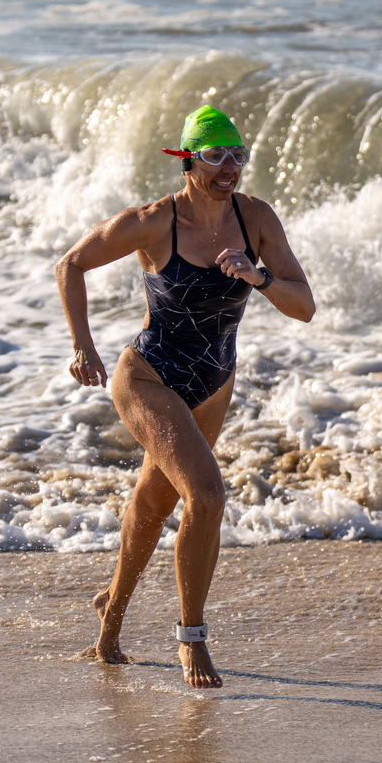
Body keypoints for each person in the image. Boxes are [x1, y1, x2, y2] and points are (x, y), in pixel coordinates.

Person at [55, 106, 314, 688]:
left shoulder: (257, 220)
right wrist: (82, 348)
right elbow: (71, 265)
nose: (230, 167)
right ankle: (191, 639)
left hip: (213, 384)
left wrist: (258, 276)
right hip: (148, 376)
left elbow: (305, 306)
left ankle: (110, 618)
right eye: (217, 155)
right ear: (188, 159)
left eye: (238, 155)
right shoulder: (153, 222)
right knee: (207, 494)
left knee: (155, 505)